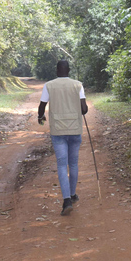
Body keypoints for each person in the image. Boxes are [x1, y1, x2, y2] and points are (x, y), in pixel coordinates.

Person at [37, 60, 88, 216]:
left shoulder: (49, 85)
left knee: (61, 164)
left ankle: (66, 200)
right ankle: (73, 195)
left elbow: (42, 106)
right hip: (75, 129)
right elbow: (84, 109)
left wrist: (41, 117)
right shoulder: (78, 85)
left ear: (56, 70)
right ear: (69, 70)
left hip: (58, 131)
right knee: (73, 163)